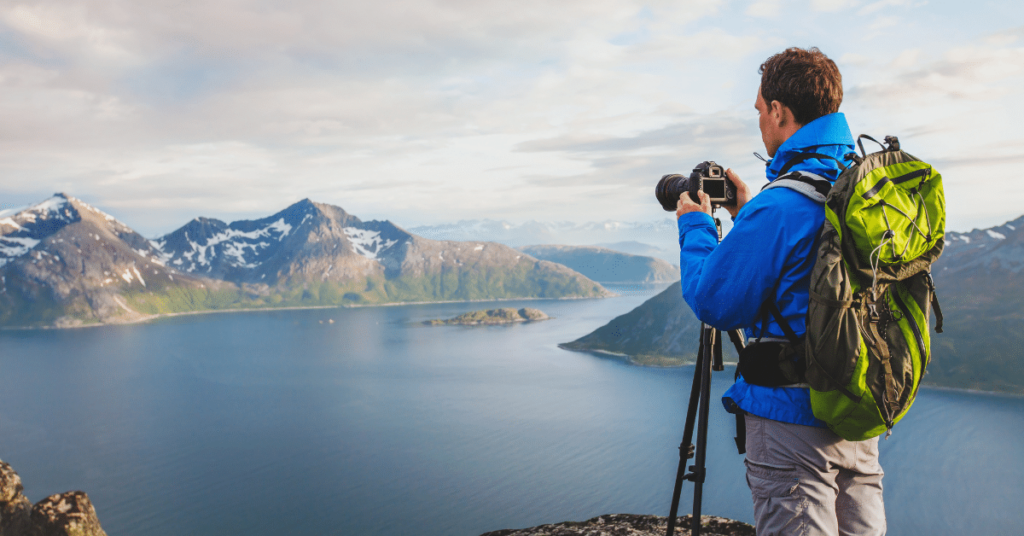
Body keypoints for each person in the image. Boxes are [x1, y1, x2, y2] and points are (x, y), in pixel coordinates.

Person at [674, 47, 886, 536]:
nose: (759, 121)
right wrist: (750, 213)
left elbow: (715, 301)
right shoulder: (857, 185)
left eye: (759, 110)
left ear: (779, 112)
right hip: (857, 408)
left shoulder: (783, 204)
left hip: (792, 423)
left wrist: (696, 227)